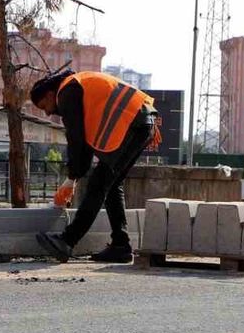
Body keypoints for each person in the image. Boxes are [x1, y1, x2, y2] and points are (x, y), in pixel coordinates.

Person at [29, 70, 162, 264]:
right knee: (111, 185)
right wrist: (74, 176)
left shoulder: (66, 92)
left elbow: (76, 139)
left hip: (133, 124)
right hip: (141, 123)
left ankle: (67, 241)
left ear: (50, 95)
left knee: (98, 184)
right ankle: (120, 245)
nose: (48, 112)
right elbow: (85, 143)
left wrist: (72, 177)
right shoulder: (77, 85)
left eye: (44, 106)